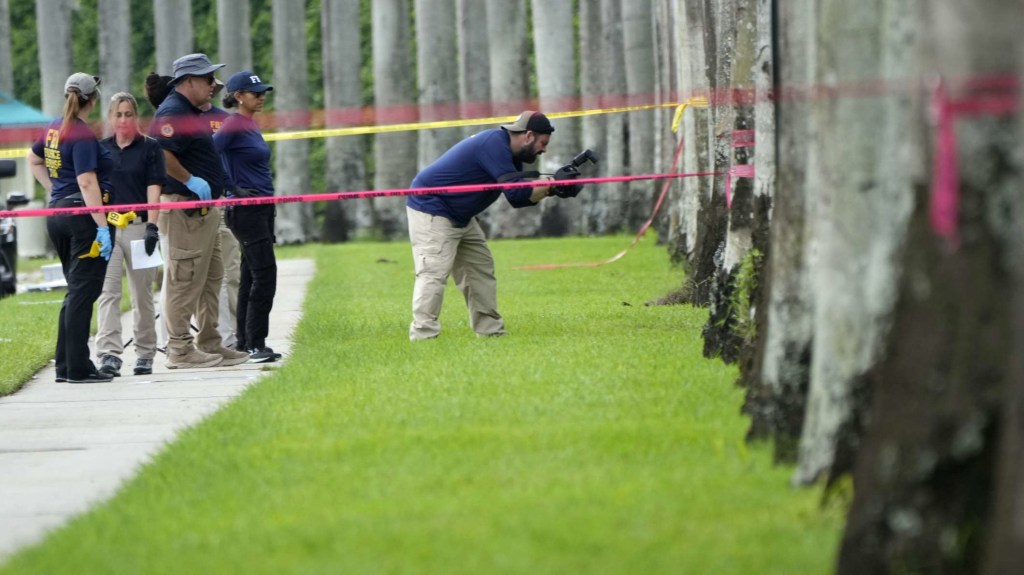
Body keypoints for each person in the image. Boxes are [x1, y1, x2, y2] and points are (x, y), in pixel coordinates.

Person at [405, 111, 566, 340]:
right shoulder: (494, 145)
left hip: (462, 215)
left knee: (480, 270)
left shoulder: (513, 155)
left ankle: (491, 333)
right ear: (529, 135)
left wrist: (553, 189)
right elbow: (517, 193)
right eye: (543, 143)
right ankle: (423, 336)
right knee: (433, 273)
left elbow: (519, 199)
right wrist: (551, 186)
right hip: (432, 208)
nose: (544, 150)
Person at [149, 53, 249, 369]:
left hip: (204, 211)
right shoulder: (172, 112)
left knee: (210, 278)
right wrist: (190, 179)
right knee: (185, 279)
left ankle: (211, 343)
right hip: (184, 210)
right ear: (189, 81)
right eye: (207, 79)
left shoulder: (189, 111)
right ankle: (179, 349)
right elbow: (161, 153)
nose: (213, 85)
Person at [27, 73, 114, 383]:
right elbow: (87, 181)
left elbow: (33, 159)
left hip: (58, 214)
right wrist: (101, 225)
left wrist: (55, 192)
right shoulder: (80, 133)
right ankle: (77, 368)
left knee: (75, 292)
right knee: (84, 291)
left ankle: (66, 365)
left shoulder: (53, 128)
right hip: (82, 218)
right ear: (93, 99)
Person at [94, 92, 165, 377]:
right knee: (108, 293)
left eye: (128, 114)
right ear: (110, 117)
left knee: (142, 294)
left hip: (138, 227)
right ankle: (109, 353)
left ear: (136, 116)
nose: (123, 119)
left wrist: (152, 227)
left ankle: (146, 352)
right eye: (118, 114)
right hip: (109, 229)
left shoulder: (150, 148)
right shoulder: (101, 149)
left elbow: (154, 189)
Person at [214, 71, 281, 362]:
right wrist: (232, 189)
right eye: (256, 93)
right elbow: (210, 155)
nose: (262, 96)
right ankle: (256, 343)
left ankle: (244, 342)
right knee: (266, 275)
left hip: (263, 207)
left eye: (263, 92)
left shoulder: (250, 125)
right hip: (245, 211)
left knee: (250, 275)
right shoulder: (232, 125)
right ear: (239, 96)